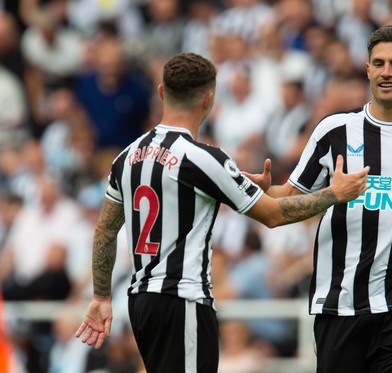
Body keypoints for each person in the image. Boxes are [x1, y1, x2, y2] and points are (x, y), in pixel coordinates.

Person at [74, 52, 369, 373]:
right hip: (182, 298)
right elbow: (274, 216)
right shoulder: (201, 157)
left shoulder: (126, 156)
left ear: (161, 92)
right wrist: (333, 194)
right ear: (208, 100)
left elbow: (105, 230)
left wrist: (101, 297)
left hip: (141, 302)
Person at [245, 25, 392, 372]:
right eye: (378, 63)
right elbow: (287, 201)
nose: (386, 72)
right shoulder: (333, 131)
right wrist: (262, 190)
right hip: (339, 304)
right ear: (367, 69)